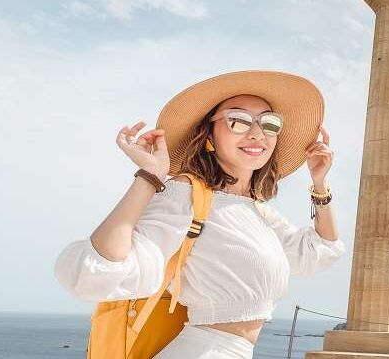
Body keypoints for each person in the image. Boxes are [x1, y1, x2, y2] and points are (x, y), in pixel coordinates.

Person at [53, 70, 344, 359]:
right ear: (209, 134)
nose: (256, 132)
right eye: (238, 120)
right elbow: (92, 273)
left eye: (269, 123)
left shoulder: (255, 211)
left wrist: (320, 185)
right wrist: (150, 177)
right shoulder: (186, 194)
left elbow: (319, 251)